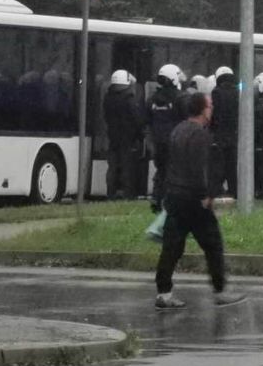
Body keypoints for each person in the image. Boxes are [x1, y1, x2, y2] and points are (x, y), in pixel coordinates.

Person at [153, 92, 246, 309]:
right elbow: (200, 168)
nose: (212, 109)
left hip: (175, 196)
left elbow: (166, 163)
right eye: (210, 105)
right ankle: (220, 290)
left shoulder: (177, 130)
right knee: (213, 243)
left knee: (172, 247)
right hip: (194, 199)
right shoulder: (201, 135)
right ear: (204, 110)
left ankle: (164, 293)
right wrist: (206, 195)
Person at [147, 64, 184, 213]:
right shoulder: (180, 98)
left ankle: (157, 197)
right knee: (175, 172)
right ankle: (172, 201)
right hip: (175, 141)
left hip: (158, 141)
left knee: (161, 170)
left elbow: (146, 120)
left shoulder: (153, 99)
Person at [102, 69, 144, 199]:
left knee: (112, 168)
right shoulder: (129, 99)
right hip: (128, 139)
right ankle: (128, 195)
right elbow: (137, 119)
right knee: (127, 169)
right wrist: (140, 135)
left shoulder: (107, 98)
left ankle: (111, 193)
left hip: (113, 138)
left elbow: (106, 117)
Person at [209, 66, 239, 198]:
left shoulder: (216, 92)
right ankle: (234, 189)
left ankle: (216, 190)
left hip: (219, 132)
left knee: (217, 164)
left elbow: (214, 113)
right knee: (231, 164)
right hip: (233, 132)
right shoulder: (238, 91)